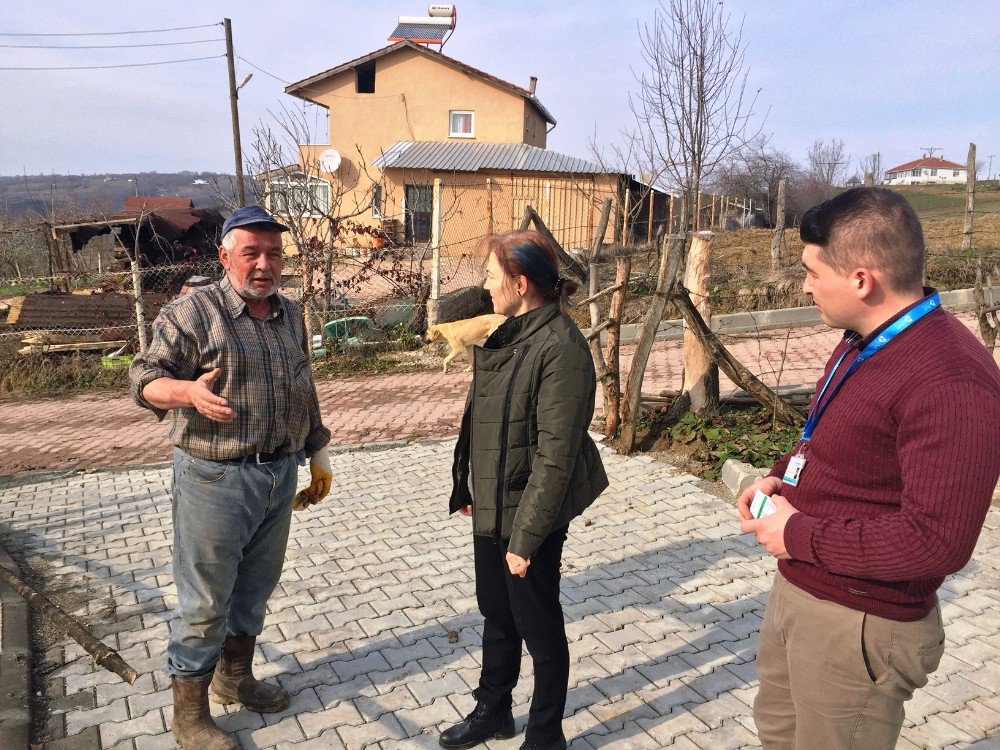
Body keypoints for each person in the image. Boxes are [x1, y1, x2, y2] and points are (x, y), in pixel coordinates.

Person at [738, 187, 1000, 749]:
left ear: (862, 279)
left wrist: (797, 532)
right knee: (779, 736)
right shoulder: (864, 339)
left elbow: (937, 542)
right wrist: (781, 475)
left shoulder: (951, 380)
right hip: (803, 590)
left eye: (811, 270)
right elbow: (837, 440)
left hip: (858, 623)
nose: (803, 284)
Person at [129, 205, 333, 750]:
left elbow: (303, 386)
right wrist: (187, 392)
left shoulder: (289, 315)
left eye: (274, 253)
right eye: (252, 253)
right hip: (215, 480)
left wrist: (319, 454)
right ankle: (189, 716)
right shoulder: (193, 314)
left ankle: (234, 677)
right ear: (225, 257)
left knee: (255, 591)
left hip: (278, 474)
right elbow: (144, 380)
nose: (264, 264)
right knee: (204, 603)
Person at [441, 230, 608, 750]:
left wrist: (525, 539)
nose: (485, 288)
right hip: (491, 500)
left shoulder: (561, 348)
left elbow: (556, 457)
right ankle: (493, 710)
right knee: (496, 613)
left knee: (539, 626)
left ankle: (545, 734)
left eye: (493, 278)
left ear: (520, 282)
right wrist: (462, 485)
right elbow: (482, 420)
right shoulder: (506, 331)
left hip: (529, 514)